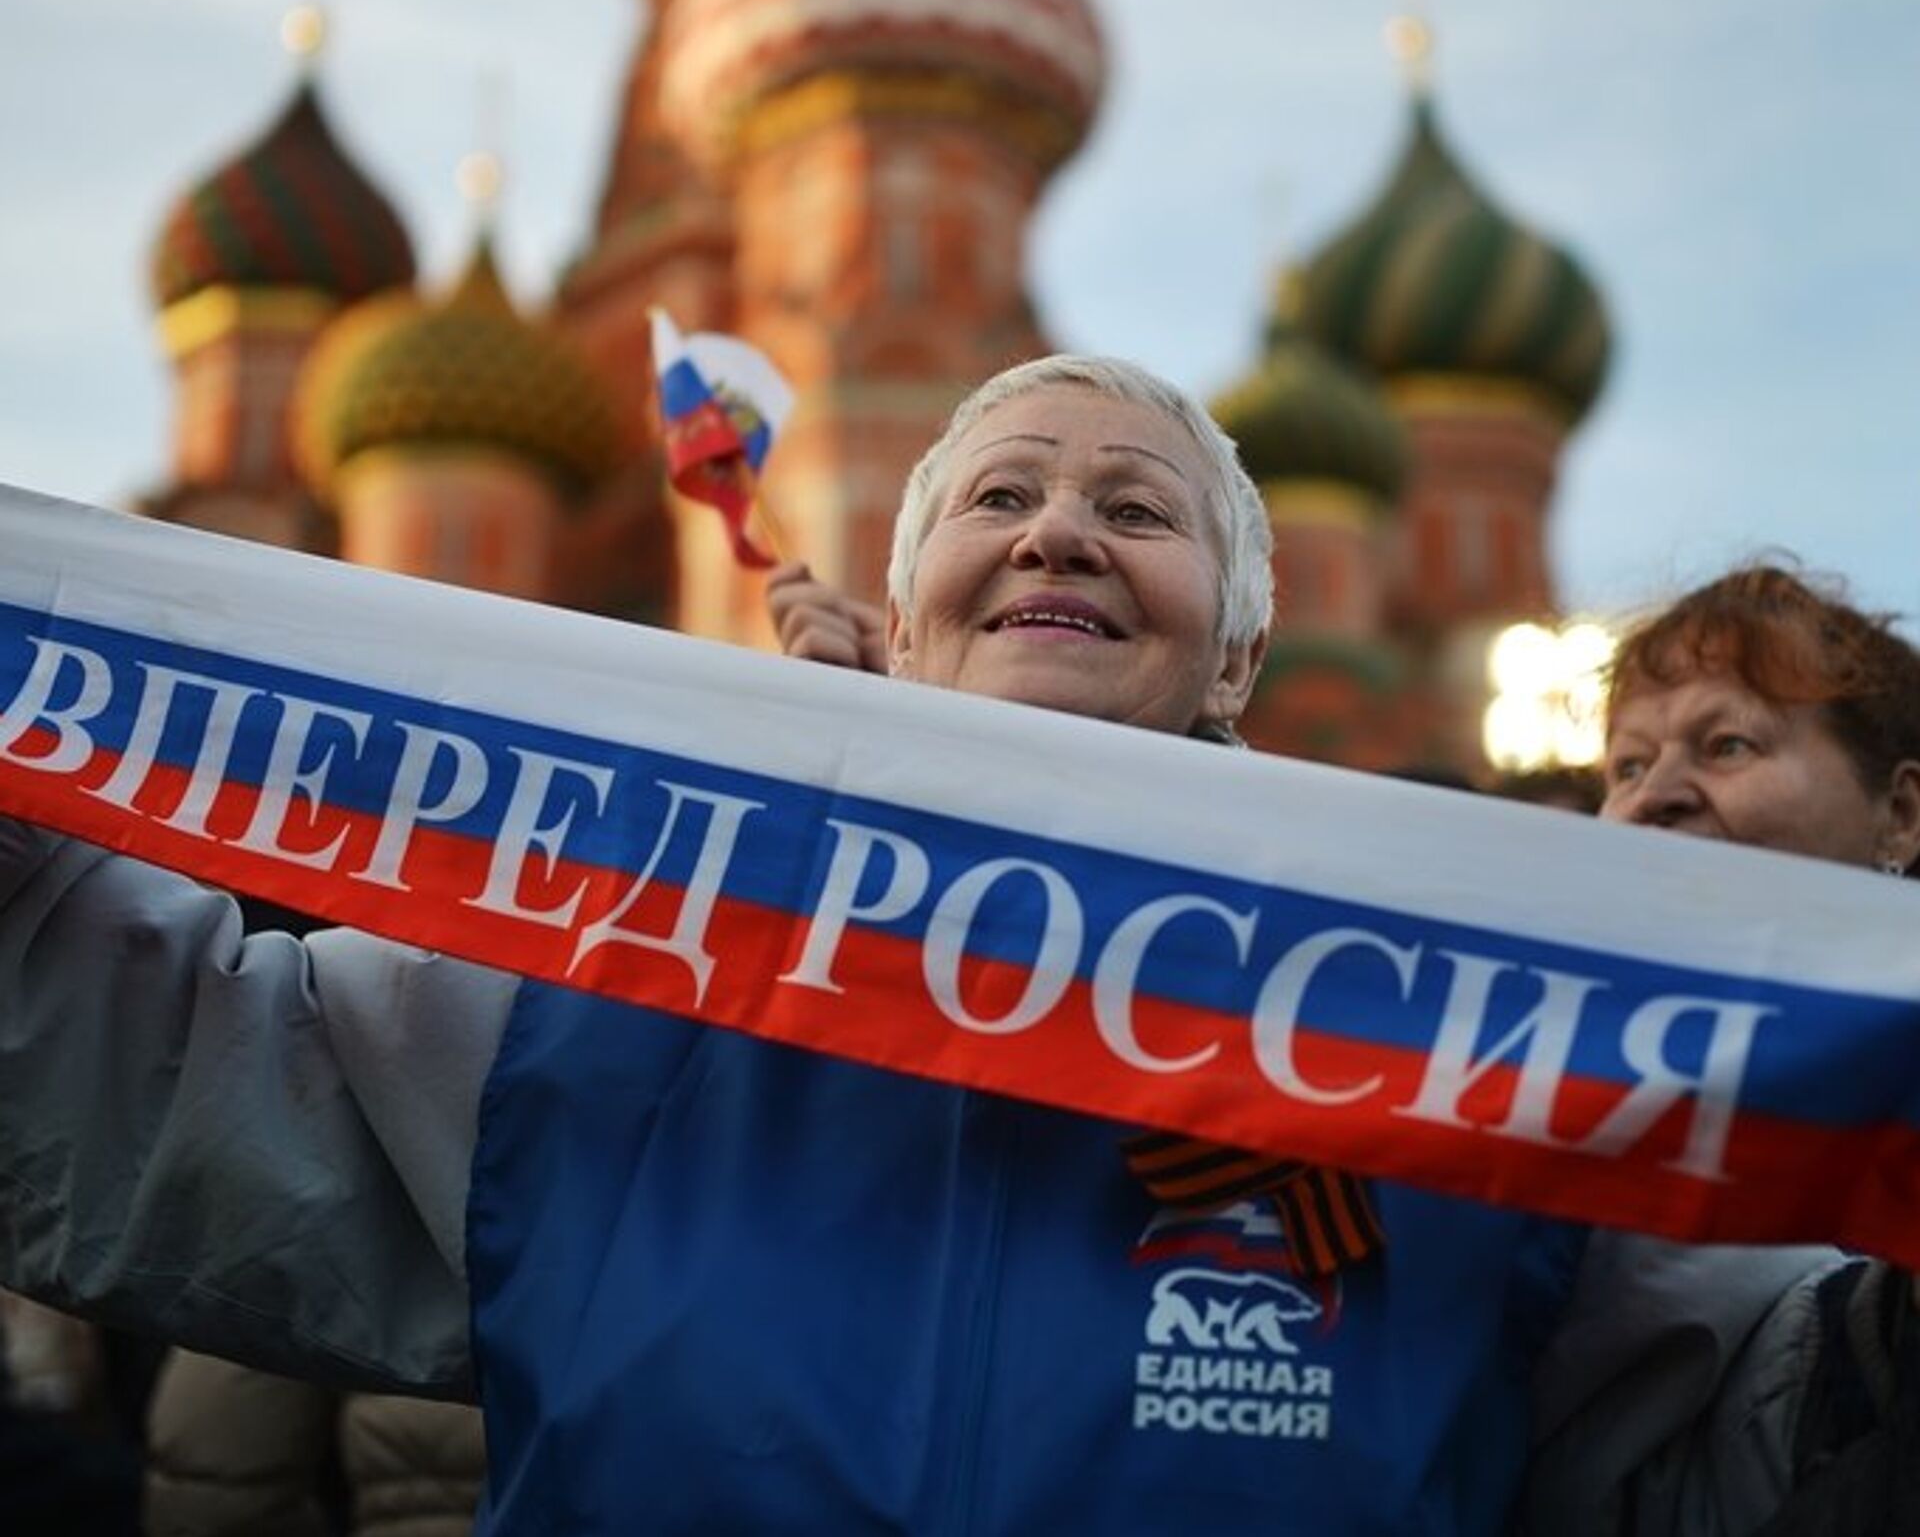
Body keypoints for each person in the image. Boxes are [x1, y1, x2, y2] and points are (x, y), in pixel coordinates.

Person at [0, 356, 1904, 1532]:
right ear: (906, 625)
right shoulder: (629, 971)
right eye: (1001, 497)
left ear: (1239, 651)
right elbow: (144, 1094)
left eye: (1136, 510)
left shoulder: (1453, 1020)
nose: (1060, 534)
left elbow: (1732, 1429)